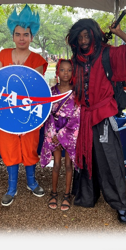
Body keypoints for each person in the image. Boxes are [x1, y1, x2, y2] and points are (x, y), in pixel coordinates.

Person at [67, 18, 126, 223]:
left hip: (102, 116)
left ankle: (120, 205)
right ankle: (87, 196)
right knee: (85, 158)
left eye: (87, 35)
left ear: (94, 34)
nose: (84, 40)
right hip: (83, 117)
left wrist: (119, 33)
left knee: (110, 160)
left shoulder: (108, 53)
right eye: (80, 36)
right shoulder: (76, 59)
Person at [0, 5, 47, 207]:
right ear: (13, 36)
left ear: (32, 37)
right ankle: (11, 187)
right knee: (9, 148)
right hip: (6, 113)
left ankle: (32, 182)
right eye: (18, 34)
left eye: (26, 34)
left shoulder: (38, 60)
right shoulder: (3, 55)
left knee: (30, 148)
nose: (22, 38)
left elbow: (33, 88)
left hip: (30, 113)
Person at [40, 58, 79, 211]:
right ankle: (54, 192)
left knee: (68, 165)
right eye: (62, 70)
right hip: (53, 130)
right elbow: (47, 113)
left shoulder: (76, 92)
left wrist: (63, 134)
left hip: (69, 132)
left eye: (69, 70)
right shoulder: (51, 91)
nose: (66, 73)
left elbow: (78, 115)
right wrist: (53, 133)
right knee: (56, 164)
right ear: (57, 71)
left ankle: (67, 194)